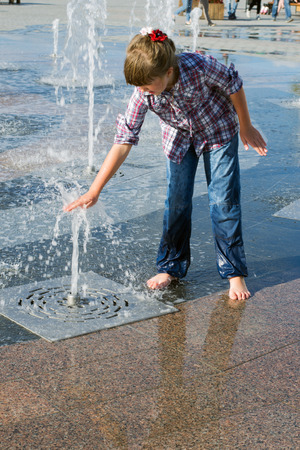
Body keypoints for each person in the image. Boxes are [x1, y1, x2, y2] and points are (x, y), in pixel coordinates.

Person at [64, 27, 268, 301]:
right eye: (139, 87)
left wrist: (246, 126)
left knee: (223, 202)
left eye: (147, 85)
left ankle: (234, 274)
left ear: (169, 72)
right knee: (176, 202)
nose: (142, 91)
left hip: (218, 131)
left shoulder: (199, 66)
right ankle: (170, 267)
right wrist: (94, 190)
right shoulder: (143, 93)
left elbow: (233, 83)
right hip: (179, 139)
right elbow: (123, 141)